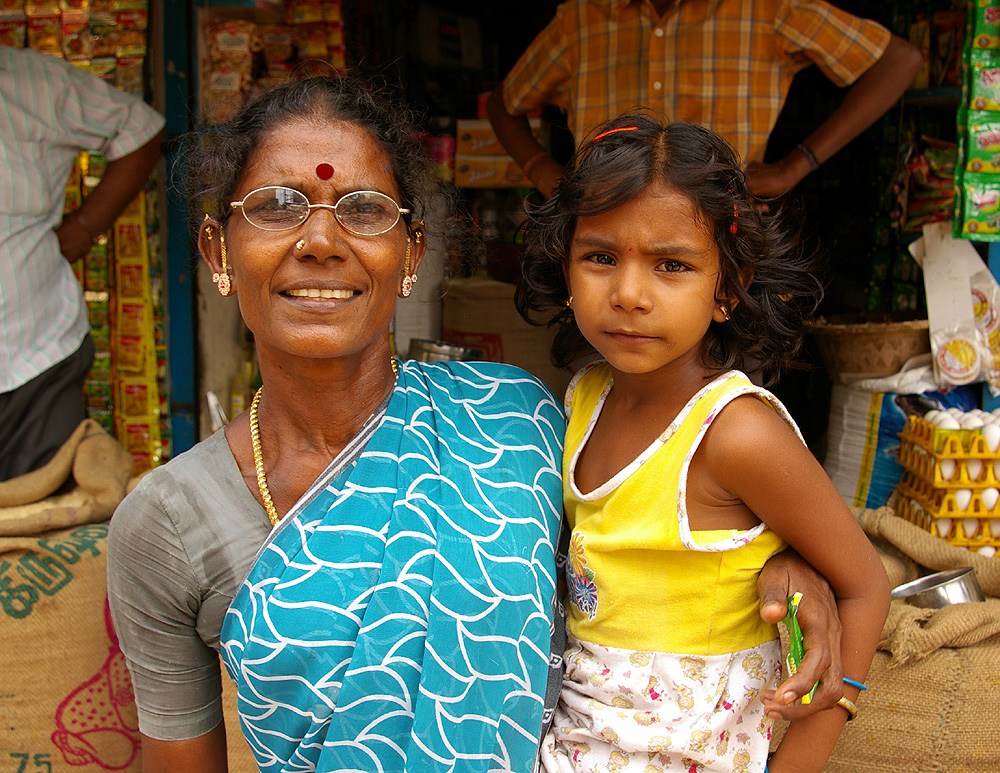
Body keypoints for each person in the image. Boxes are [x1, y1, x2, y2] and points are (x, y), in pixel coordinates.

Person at [108, 77, 842, 773]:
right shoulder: (167, 524)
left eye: (364, 209)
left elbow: (643, 550)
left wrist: (788, 564)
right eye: (276, 205)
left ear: (412, 253)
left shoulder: (512, 420)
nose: (321, 241)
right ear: (216, 250)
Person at [516, 115, 890, 772]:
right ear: (567, 268)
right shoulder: (582, 397)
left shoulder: (734, 432)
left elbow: (863, 584)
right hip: (578, 744)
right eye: (601, 256)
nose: (629, 294)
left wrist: (815, 739)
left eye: (672, 265)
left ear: (726, 288)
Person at [486, 0, 922, 199]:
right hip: (606, 234)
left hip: (723, 242)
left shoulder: (765, 8)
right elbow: (504, 104)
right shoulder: (582, 17)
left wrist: (797, 164)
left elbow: (899, 60)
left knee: (725, 375)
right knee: (602, 377)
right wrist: (543, 172)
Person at [0, 45, 164, 480]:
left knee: (47, 526)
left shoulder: (34, 82)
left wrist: (85, 226)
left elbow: (140, 129)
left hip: (34, 354)